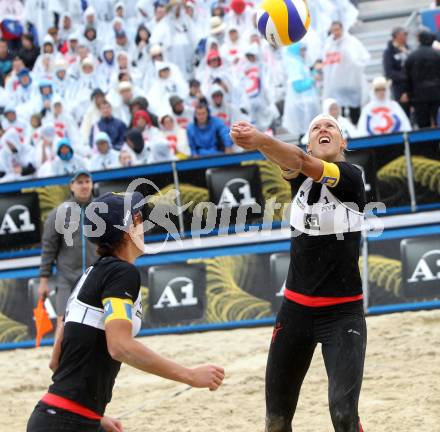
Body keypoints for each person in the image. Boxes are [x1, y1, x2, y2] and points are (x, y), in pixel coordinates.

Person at [27, 191, 225, 432]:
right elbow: (119, 346)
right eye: (139, 218)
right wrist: (190, 376)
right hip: (67, 423)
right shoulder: (121, 273)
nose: (144, 224)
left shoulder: (89, 275)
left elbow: (56, 361)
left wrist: (96, 416)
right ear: (128, 229)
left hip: (57, 415)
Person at [230, 115, 366, 432]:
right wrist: (255, 141)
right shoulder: (298, 177)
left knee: (344, 416)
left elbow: (301, 159)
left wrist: (260, 138)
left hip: (342, 314)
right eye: (316, 127)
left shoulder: (351, 176)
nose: (323, 129)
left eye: (330, 126)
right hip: (295, 313)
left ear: (343, 142)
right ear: (308, 142)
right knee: (276, 421)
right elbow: (290, 160)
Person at [38, 170, 97, 369]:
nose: (84, 185)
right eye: (79, 182)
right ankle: (57, 364)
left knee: (97, 321)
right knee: (63, 320)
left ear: (92, 184)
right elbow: (48, 248)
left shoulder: (101, 210)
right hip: (67, 278)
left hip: (94, 276)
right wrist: (44, 280)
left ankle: (92, 361)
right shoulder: (59, 212)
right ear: (71, 186)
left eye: (87, 181)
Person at [322, 21, 370, 124]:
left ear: (342, 29)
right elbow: (326, 65)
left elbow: (363, 58)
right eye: (333, 30)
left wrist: (350, 59)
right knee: (339, 112)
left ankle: (357, 132)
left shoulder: (352, 42)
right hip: (337, 85)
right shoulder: (328, 45)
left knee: (355, 111)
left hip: (351, 83)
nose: (336, 32)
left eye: (337, 30)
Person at [402, 30, 440, 128]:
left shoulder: (412, 56)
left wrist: (408, 93)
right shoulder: (437, 55)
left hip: (419, 96)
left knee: (423, 125)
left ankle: (426, 143)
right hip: (437, 94)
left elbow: (407, 78)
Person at [383, 27, 410, 114]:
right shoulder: (389, 52)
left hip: (411, 86)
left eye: (406, 34)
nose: (406, 37)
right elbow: (389, 72)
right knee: (403, 111)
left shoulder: (408, 48)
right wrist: (405, 76)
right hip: (399, 87)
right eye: (404, 35)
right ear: (396, 36)